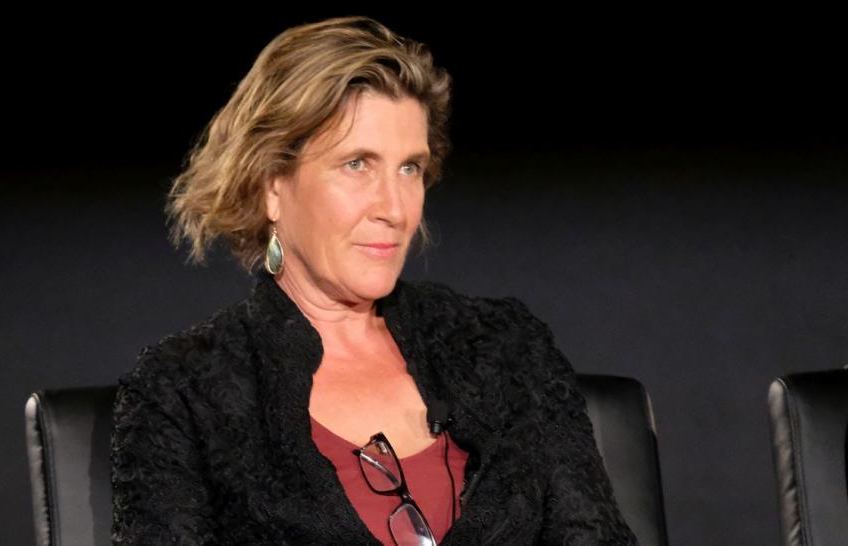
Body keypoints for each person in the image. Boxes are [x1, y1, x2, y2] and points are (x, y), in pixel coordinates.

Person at [110, 15, 637, 546]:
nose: (395, 209)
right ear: (271, 185)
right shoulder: (183, 389)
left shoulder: (505, 344)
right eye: (357, 164)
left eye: (410, 168)